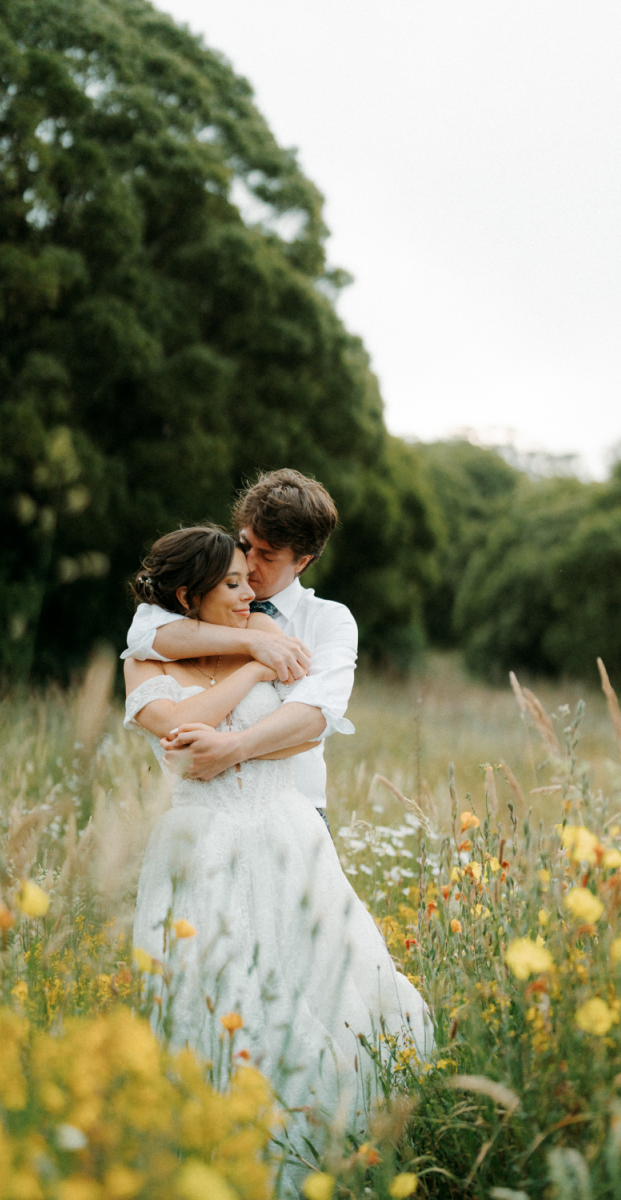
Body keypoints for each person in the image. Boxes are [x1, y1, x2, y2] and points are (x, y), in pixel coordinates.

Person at [122, 526, 431, 1169]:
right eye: (233, 582)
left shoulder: (280, 627)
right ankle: (218, 1145)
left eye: (252, 577)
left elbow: (306, 733)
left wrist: (238, 732)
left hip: (288, 830)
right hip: (202, 844)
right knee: (216, 989)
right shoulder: (150, 655)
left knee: (315, 981)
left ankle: (330, 1141)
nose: (249, 593)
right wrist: (257, 664)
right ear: (189, 596)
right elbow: (177, 728)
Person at [122, 469, 358, 822]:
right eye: (246, 545)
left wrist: (231, 749)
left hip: (297, 810)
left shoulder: (329, 619)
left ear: (302, 561)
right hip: (202, 817)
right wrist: (256, 641)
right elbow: (142, 637)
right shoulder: (196, 603)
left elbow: (317, 715)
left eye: (268, 555)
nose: (249, 563)